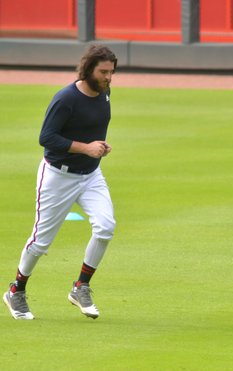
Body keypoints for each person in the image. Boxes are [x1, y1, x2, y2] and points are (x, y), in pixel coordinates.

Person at [3, 45, 117, 320]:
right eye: (103, 72)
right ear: (88, 69)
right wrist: (85, 147)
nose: (109, 78)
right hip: (58, 176)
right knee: (41, 242)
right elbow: (47, 138)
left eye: (112, 72)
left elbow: (92, 130)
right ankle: (16, 290)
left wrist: (98, 147)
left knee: (105, 227)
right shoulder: (66, 98)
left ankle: (81, 286)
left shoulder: (105, 94)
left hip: (90, 176)